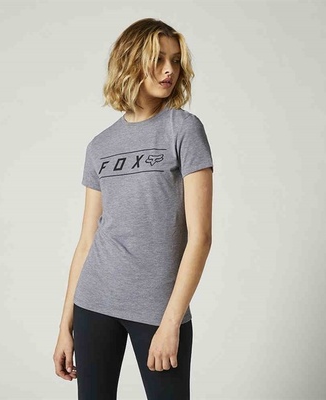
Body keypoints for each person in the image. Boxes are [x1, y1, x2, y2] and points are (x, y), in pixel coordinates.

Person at [53, 17, 214, 400]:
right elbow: (88, 240)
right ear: (130, 62)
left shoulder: (183, 129)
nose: (170, 69)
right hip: (95, 301)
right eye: (158, 59)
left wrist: (171, 322)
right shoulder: (100, 146)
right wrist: (64, 326)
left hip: (158, 308)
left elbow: (201, 237)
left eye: (175, 60)